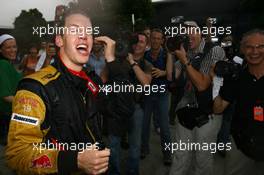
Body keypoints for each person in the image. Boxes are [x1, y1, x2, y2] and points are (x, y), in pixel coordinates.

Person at [5, 7, 113, 174]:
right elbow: (17, 154)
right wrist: (74, 160)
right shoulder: (36, 88)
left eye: (88, 32)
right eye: (75, 30)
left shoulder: (91, 80)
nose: (84, 36)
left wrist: (112, 61)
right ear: (59, 40)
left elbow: (121, 110)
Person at [169, 21, 225, 175]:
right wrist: (170, 52)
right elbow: (171, 77)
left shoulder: (214, 50)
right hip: (185, 110)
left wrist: (185, 60)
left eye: (192, 31)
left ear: (200, 32)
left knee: (202, 160)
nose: (188, 35)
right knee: (180, 156)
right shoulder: (185, 52)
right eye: (185, 32)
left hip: (207, 113)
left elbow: (202, 85)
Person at [213, 29, 264, 175]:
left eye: (260, 46)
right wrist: (216, 81)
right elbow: (218, 108)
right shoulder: (237, 77)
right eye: (249, 47)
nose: (254, 51)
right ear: (242, 49)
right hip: (240, 145)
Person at [105, 32, 152, 175]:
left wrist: (132, 62)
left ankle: (133, 171)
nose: (138, 44)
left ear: (146, 46)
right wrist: (111, 59)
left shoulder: (147, 64)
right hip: (115, 108)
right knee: (113, 145)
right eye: (136, 41)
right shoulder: (118, 59)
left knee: (135, 146)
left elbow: (145, 83)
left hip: (135, 108)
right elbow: (103, 78)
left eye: (142, 42)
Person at [141, 28, 172, 165]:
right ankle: (144, 149)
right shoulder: (144, 55)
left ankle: (167, 154)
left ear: (162, 40)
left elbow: (171, 75)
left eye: (158, 38)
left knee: (164, 126)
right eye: (153, 38)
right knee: (144, 124)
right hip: (147, 94)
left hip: (162, 94)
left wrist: (163, 73)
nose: (155, 41)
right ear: (150, 39)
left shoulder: (167, 55)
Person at [0, 34, 22, 175]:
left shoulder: (8, 64)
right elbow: (6, 96)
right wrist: (29, 107)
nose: (12, 50)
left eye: (14, 46)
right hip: (6, 118)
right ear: (0, 50)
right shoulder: (2, 65)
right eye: (8, 47)